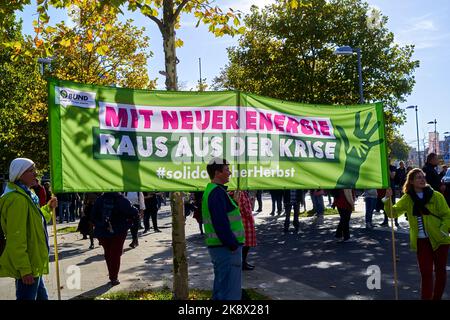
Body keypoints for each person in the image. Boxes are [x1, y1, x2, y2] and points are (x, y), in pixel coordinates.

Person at [384, 168, 450, 300]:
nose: (422, 179)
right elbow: (393, 213)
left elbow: (447, 215)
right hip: (421, 242)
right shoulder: (408, 198)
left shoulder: (435, 195)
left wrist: (443, 229)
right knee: (426, 273)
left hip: (440, 240)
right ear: (412, 181)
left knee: (440, 272)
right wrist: (387, 199)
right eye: (418, 177)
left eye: (423, 177)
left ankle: (436, 297)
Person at [0, 158, 57, 300]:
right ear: (20, 174)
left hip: (33, 264)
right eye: (31, 170)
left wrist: (48, 208)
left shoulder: (27, 194)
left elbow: (37, 220)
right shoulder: (17, 199)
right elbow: (16, 238)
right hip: (28, 267)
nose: (36, 173)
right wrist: (25, 270)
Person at [202, 158, 245, 300]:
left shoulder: (215, 191)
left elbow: (223, 216)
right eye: (227, 169)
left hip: (222, 248)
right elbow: (220, 222)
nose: (230, 172)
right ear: (217, 173)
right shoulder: (217, 193)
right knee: (229, 292)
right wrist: (232, 244)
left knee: (222, 289)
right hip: (226, 249)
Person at [92, 192, 138, 286]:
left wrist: (100, 224)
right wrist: (129, 223)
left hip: (102, 231)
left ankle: (112, 275)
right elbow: (134, 212)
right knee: (116, 254)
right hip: (119, 231)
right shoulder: (122, 199)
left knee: (108, 253)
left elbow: (93, 216)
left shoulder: (99, 199)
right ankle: (114, 277)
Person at [230, 190, 256, 271]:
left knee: (246, 245)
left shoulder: (243, 192)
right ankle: (242, 263)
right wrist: (249, 215)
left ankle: (244, 262)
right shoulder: (238, 192)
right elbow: (242, 208)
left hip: (246, 221)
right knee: (244, 245)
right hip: (244, 221)